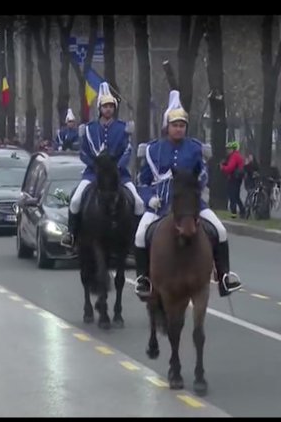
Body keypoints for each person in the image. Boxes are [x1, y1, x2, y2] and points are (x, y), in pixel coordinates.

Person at [133, 90, 242, 299]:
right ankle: (144, 279)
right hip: (160, 204)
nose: (179, 129)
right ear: (167, 127)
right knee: (140, 235)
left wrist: (194, 187)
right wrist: (149, 198)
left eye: (182, 125)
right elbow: (142, 181)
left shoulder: (195, 148)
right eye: (175, 125)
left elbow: (203, 174)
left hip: (191, 204)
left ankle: (224, 277)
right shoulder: (153, 149)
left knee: (220, 231)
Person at [60, 83, 145, 248]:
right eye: (105, 106)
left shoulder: (122, 128)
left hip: (119, 174)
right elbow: (83, 153)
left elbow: (127, 150)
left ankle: (136, 238)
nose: (108, 109)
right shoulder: (89, 129)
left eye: (111, 106)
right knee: (76, 200)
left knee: (139, 202)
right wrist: (97, 167)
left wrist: (116, 168)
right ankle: (71, 234)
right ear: (100, 108)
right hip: (93, 173)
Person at [220, 140, 246, 218]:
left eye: (229, 149)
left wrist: (223, 168)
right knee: (236, 196)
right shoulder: (237, 156)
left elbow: (230, 168)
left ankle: (234, 213)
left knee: (232, 196)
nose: (227, 151)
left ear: (233, 149)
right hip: (237, 178)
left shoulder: (234, 156)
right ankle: (242, 211)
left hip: (234, 178)